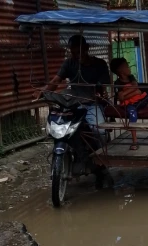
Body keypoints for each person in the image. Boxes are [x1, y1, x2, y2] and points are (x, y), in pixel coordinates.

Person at [34, 34, 112, 188]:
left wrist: (100, 92)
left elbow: (104, 86)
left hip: (91, 104)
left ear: (87, 49)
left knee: (99, 132)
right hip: (73, 104)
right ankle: (73, 155)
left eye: (80, 52)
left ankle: (101, 164)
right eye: (74, 52)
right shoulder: (69, 63)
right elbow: (56, 80)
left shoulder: (100, 64)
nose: (77, 55)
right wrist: (43, 92)